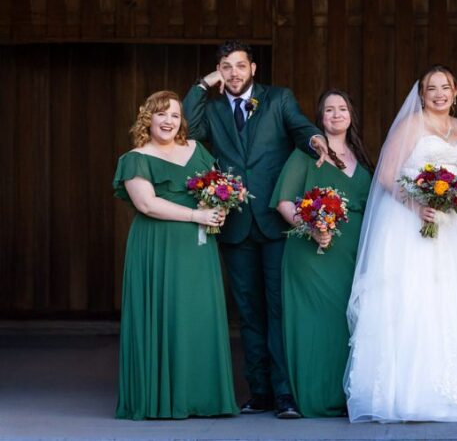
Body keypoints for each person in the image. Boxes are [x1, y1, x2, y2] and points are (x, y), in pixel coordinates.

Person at [344, 65, 457, 422]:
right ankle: (412, 394)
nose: (439, 94)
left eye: (445, 87)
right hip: (412, 225)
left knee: (456, 301)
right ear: (421, 95)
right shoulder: (412, 125)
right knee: (417, 300)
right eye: (431, 88)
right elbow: (389, 175)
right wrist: (418, 204)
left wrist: (453, 198)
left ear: (455, 93)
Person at [183, 40, 329, 419]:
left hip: (273, 219)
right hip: (234, 223)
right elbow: (188, 126)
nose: (233, 73)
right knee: (248, 312)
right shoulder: (212, 108)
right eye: (225, 67)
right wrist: (203, 84)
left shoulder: (278, 98)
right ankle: (259, 391)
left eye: (239, 66)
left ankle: (285, 394)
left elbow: (299, 128)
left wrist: (315, 139)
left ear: (253, 69)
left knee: (278, 308)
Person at [112, 90, 237, 420]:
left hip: (198, 248)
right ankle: (162, 399)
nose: (168, 121)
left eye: (175, 115)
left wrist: (218, 209)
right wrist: (196, 215)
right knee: (164, 313)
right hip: (158, 246)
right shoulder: (135, 158)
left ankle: (203, 397)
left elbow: (218, 188)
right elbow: (146, 204)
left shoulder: (197, 150)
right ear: (147, 119)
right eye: (161, 114)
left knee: (198, 315)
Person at [270, 89, 373, 417]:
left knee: (349, 321)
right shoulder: (305, 155)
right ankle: (316, 396)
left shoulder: (362, 156)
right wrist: (311, 227)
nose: (336, 114)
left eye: (342, 108)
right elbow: (285, 201)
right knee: (318, 323)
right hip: (312, 253)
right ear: (320, 118)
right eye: (329, 110)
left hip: (353, 253)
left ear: (351, 115)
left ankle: (347, 395)